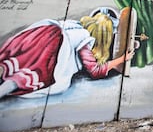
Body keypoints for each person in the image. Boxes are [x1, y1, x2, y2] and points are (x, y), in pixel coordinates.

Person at [0, 13, 134, 99]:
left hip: (38, 39)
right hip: (51, 53)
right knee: (22, 78)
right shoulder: (85, 39)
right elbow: (95, 70)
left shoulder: (73, 25)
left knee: (15, 65)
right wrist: (122, 59)